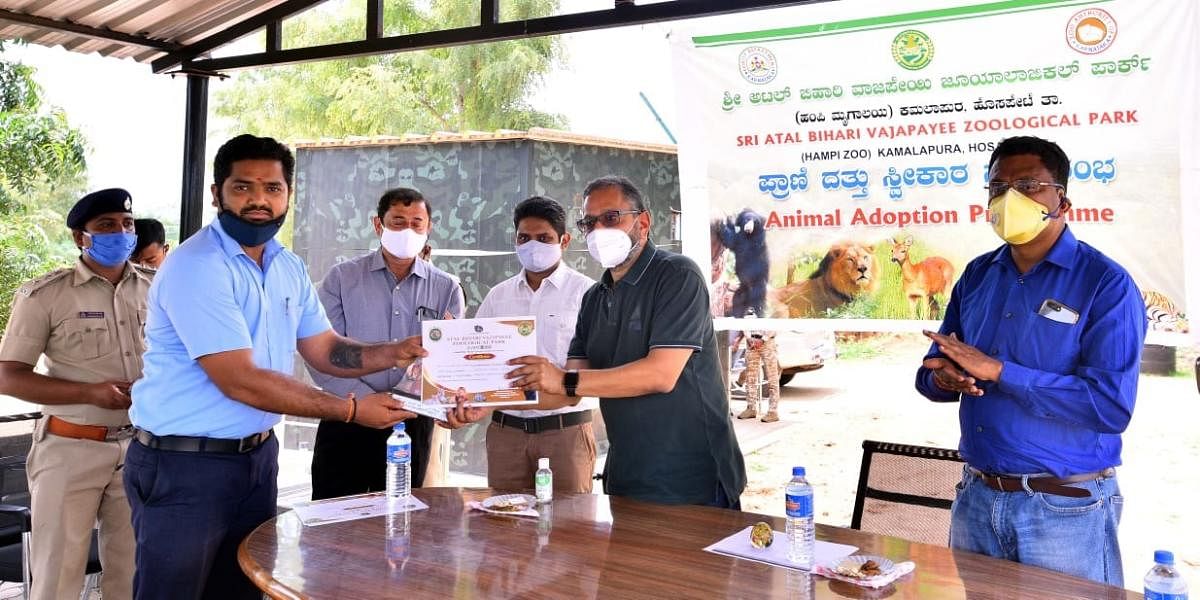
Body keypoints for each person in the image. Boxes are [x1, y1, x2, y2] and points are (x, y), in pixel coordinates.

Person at [125, 134, 481, 599]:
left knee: (241, 589)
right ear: (217, 193)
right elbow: (241, 380)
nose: (259, 200)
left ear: (288, 195)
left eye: (273, 189)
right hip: (184, 464)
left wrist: (397, 350)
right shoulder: (199, 265)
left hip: (254, 459)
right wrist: (351, 411)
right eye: (243, 187)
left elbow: (327, 348)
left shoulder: (285, 266)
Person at [914, 135, 1145, 586]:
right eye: (997, 188)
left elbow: (1110, 407)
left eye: (1027, 185)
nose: (1009, 199)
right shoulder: (978, 275)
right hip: (977, 499)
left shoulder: (1106, 284)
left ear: (1062, 200)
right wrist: (947, 380)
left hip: (1064, 505)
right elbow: (932, 373)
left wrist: (1001, 372)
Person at [507, 175, 746, 507]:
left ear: (643, 222)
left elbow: (660, 375)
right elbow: (568, 390)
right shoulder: (594, 297)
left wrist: (563, 379)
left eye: (611, 218)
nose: (598, 230)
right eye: (589, 223)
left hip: (691, 479)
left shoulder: (677, 276)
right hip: (627, 476)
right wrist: (486, 401)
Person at [0, 188, 152, 599]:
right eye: (106, 225)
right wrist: (90, 393)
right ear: (79, 237)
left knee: (133, 575)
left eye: (127, 224)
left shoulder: (157, 289)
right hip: (70, 448)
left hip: (141, 449)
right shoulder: (46, 295)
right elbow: (9, 376)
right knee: (57, 577)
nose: (120, 233)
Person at [307, 187, 464, 500]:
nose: (408, 230)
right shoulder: (341, 279)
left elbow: (450, 360)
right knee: (334, 526)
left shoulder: (447, 288)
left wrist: (443, 400)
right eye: (397, 221)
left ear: (429, 227)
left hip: (410, 424)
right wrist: (362, 403)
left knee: (400, 521)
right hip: (346, 415)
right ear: (378, 225)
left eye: (416, 223)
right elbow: (321, 354)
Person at [475, 196, 597, 493]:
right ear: (515, 240)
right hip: (507, 435)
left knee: (567, 530)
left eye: (544, 238)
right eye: (524, 238)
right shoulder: (498, 296)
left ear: (564, 241)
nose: (532, 246)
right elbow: (475, 362)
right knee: (504, 526)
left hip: (565, 434)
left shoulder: (588, 294)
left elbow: (587, 378)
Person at [733, 311, 780, 423]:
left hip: (767, 343)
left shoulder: (770, 304)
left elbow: (775, 322)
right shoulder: (750, 303)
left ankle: (773, 411)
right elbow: (745, 321)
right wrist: (749, 338)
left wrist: (763, 338)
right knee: (751, 377)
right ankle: (751, 408)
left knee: (772, 377)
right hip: (751, 343)